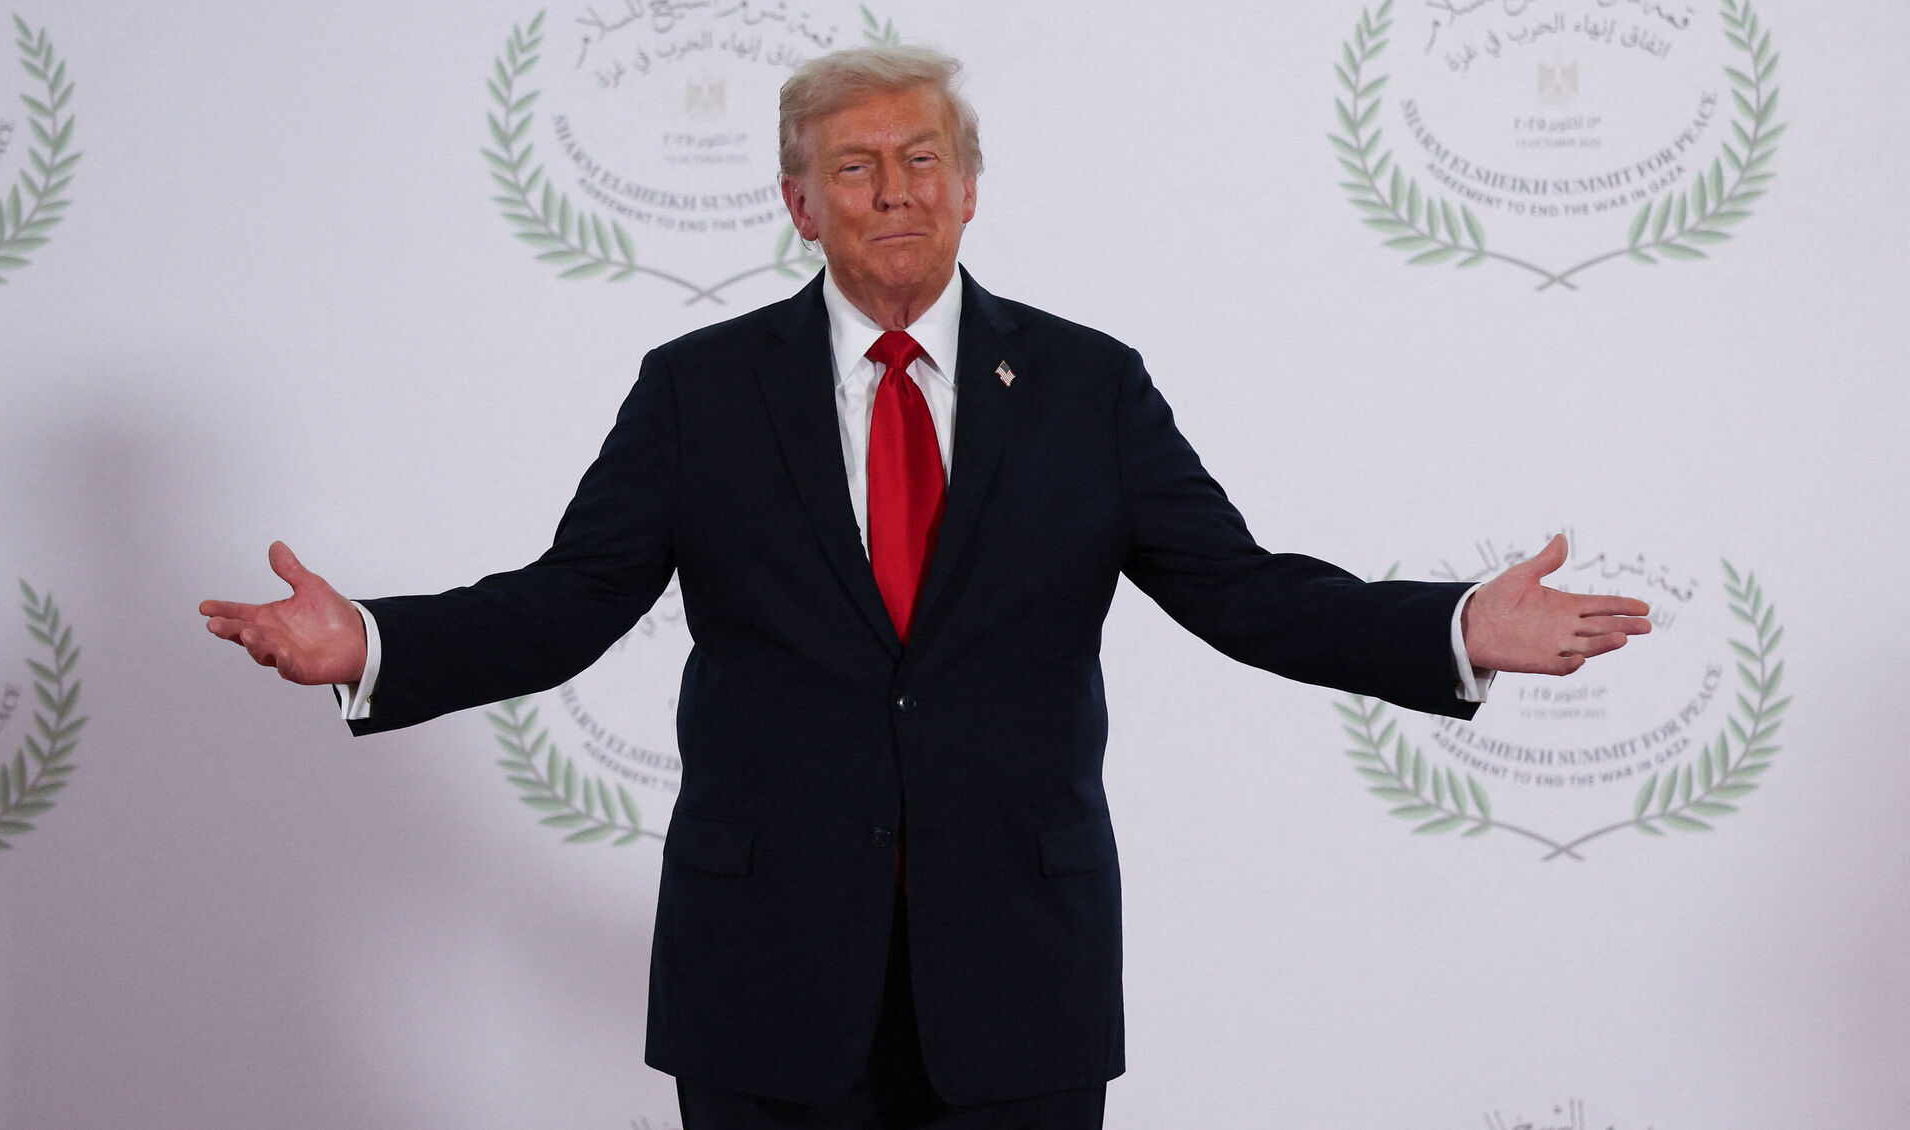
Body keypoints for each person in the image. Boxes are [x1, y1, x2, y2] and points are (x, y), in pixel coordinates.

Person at [201, 45, 1649, 1130]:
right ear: (797, 201)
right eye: (853, 167)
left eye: (920, 160)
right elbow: (568, 601)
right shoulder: (699, 393)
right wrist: (374, 643)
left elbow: (1243, 589)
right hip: (766, 970)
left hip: (1019, 969)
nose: (893, 190)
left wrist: (1455, 626)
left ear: (967, 188)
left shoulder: (1086, 388)